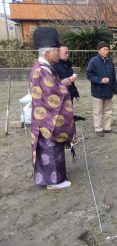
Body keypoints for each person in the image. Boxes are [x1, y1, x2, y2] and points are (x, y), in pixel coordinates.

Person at [29, 27, 75, 189]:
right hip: (46, 118)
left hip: (46, 117)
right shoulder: (40, 71)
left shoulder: (45, 68)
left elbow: (54, 87)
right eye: (56, 50)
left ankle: (52, 179)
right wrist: (64, 88)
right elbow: (52, 93)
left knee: (52, 149)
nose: (58, 53)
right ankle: (53, 182)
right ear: (47, 52)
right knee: (49, 150)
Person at [87, 41, 117, 137]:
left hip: (108, 91)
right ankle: (98, 129)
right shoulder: (93, 61)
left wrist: (115, 89)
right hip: (98, 91)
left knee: (108, 111)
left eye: (107, 49)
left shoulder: (110, 62)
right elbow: (89, 75)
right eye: (104, 49)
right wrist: (100, 80)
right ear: (99, 51)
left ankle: (107, 128)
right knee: (98, 112)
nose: (106, 51)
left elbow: (114, 76)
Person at [53, 45, 85, 121]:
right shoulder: (54, 66)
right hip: (60, 95)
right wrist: (69, 79)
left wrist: (76, 93)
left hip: (70, 93)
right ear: (59, 53)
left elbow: (72, 82)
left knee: (69, 112)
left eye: (68, 52)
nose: (68, 54)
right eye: (65, 52)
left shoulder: (68, 64)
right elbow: (55, 83)